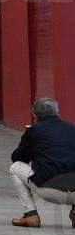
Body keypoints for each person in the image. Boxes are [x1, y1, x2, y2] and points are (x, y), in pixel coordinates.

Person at [9, 97, 75, 227]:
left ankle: (31, 215)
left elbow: (18, 158)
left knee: (15, 168)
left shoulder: (34, 130)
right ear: (57, 112)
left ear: (34, 115)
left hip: (49, 189)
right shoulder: (72, 129)